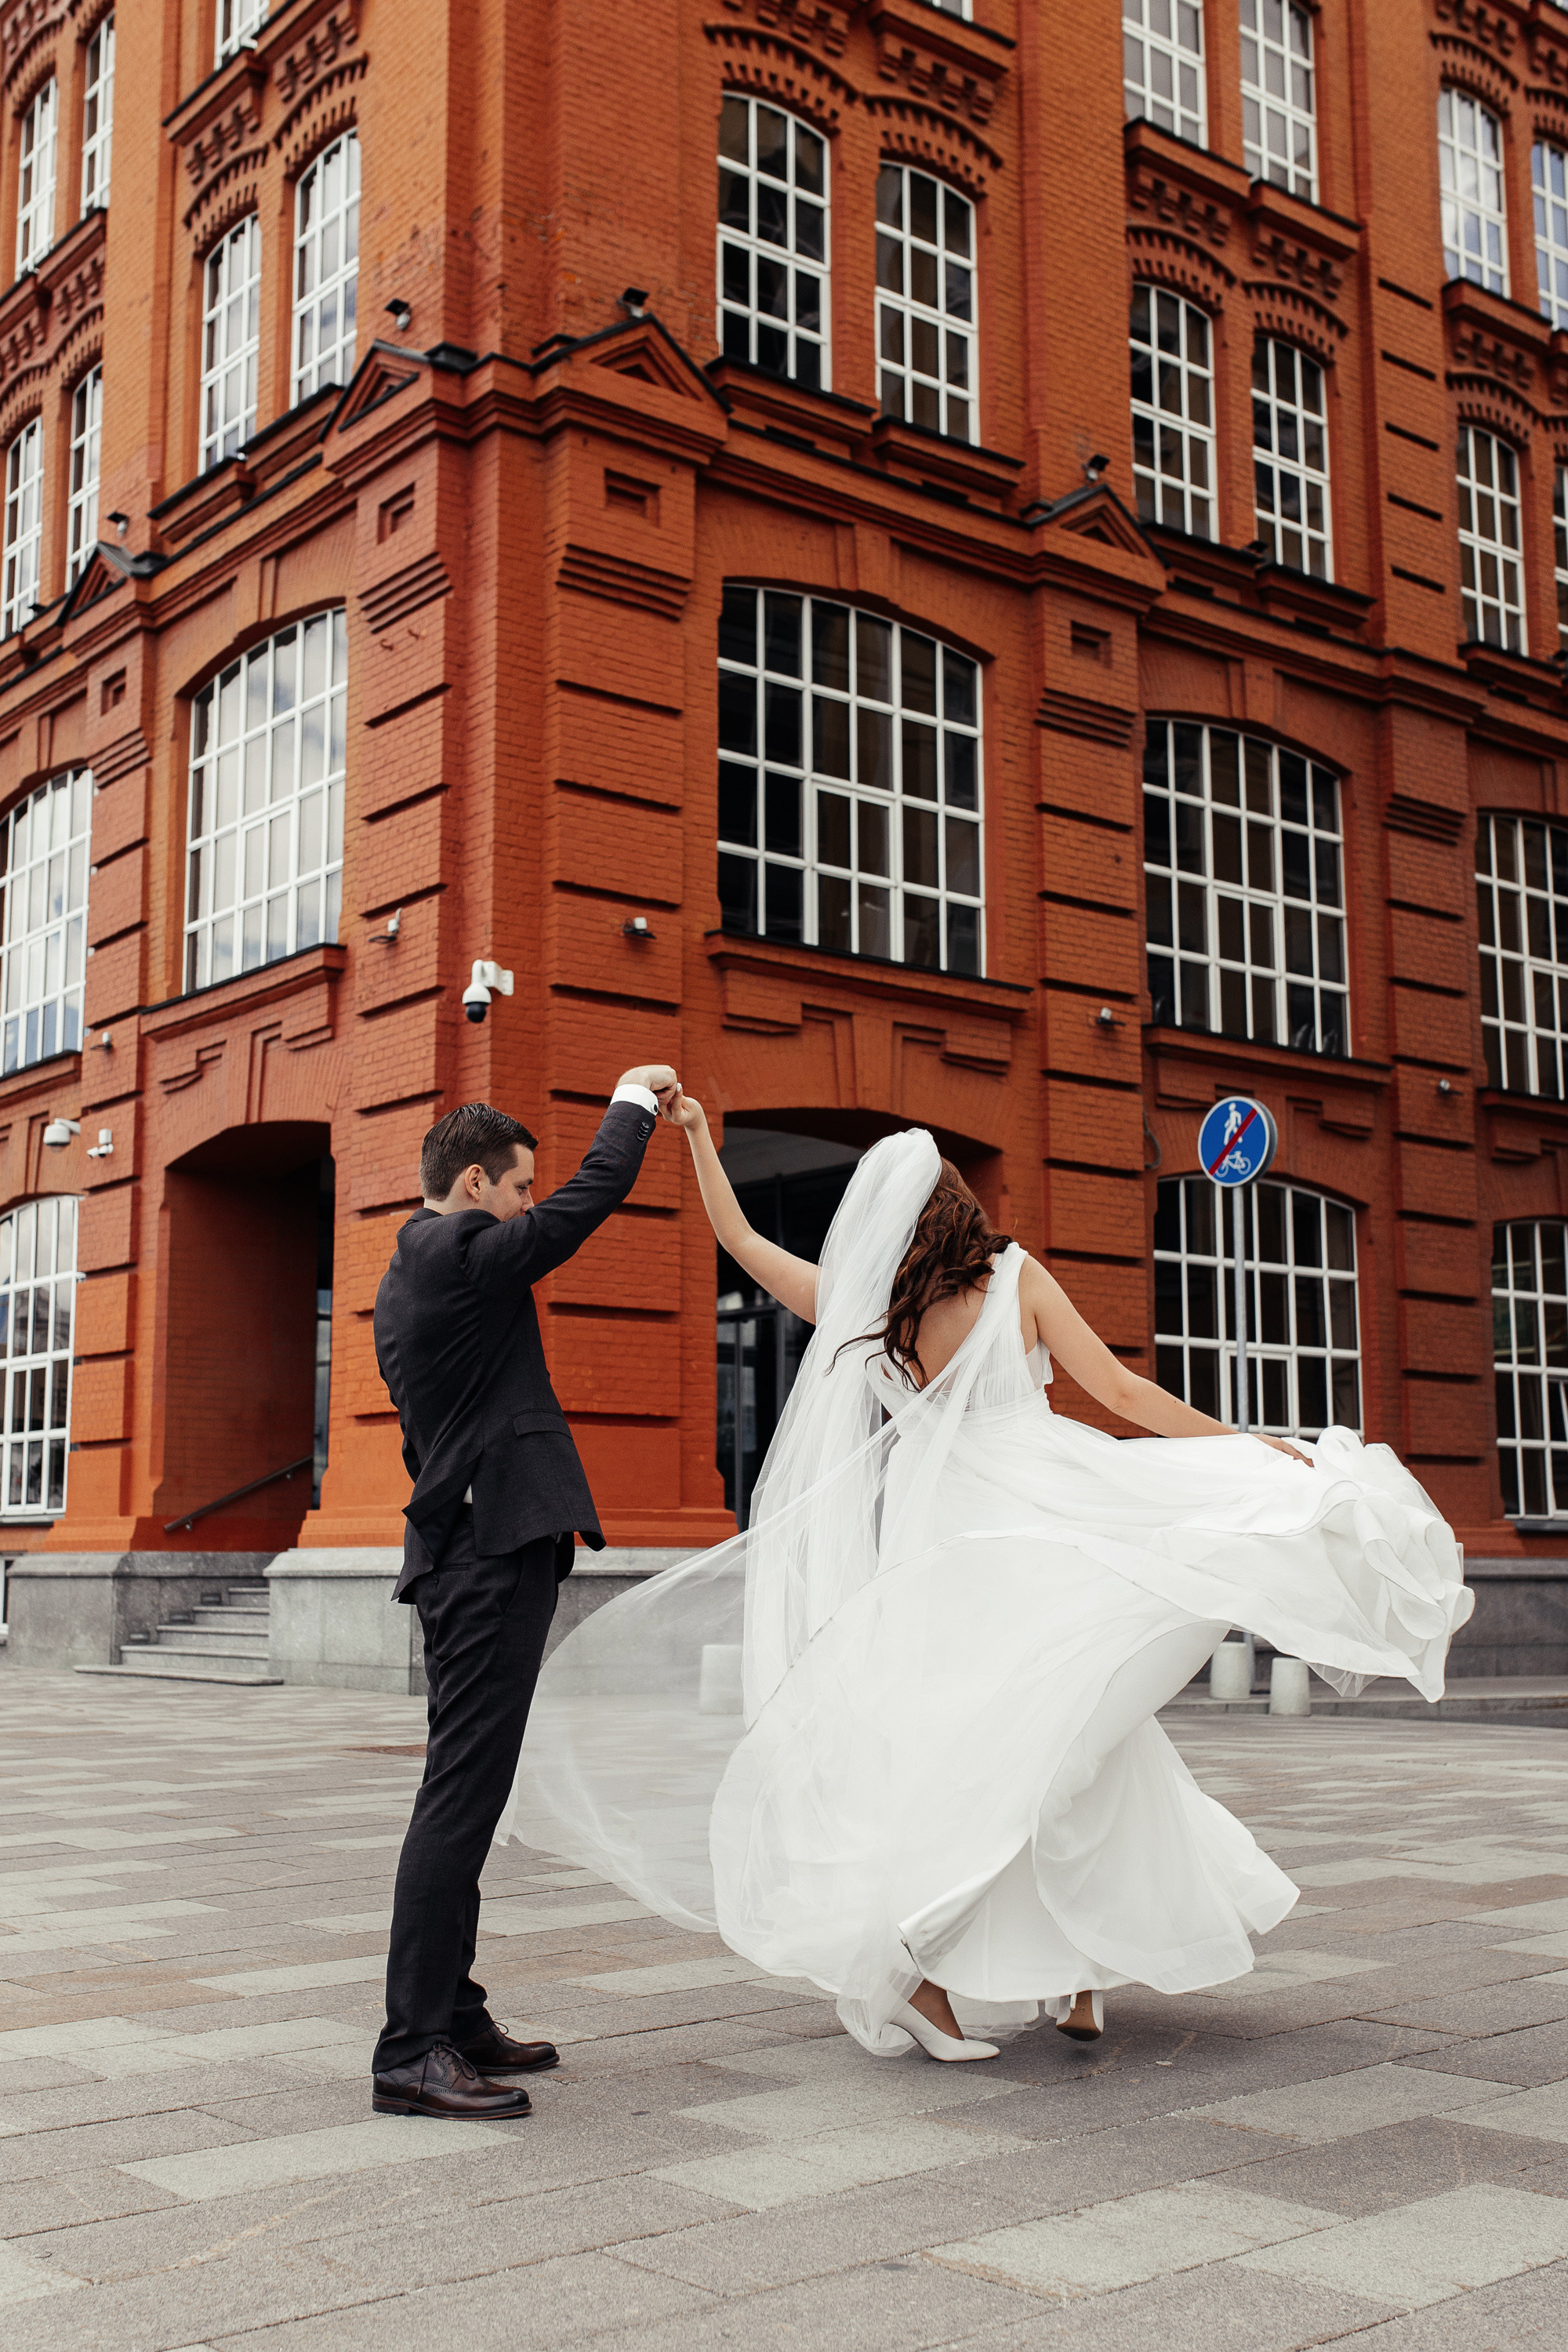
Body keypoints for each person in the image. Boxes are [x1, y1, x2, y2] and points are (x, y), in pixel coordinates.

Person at [500, 1105, 1470, 2064]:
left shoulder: (869, 1305)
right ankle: (963, 1961)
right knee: (1067, 1740)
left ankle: (1039, 1976)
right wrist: (1244, 1445)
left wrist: (701, 1142)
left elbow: (743, 1240)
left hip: (946, 1551)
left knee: (1003, 1749)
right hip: (1047, 1525)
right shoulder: (1014, 1277)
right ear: (960, 1207)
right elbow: (1123, 1395)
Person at [369, 1068, 677, 2119]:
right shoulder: (452, 1256)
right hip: (483, 1556)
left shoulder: (416, 1273)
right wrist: (631, 1099)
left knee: (469, 1794)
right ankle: (410, 2050)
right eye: (519, 1187)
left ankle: (451, 2017)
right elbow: (582, 1210)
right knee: (459, 1799)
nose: (530, 1205)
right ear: (472, 1185)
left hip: (473, 1548)